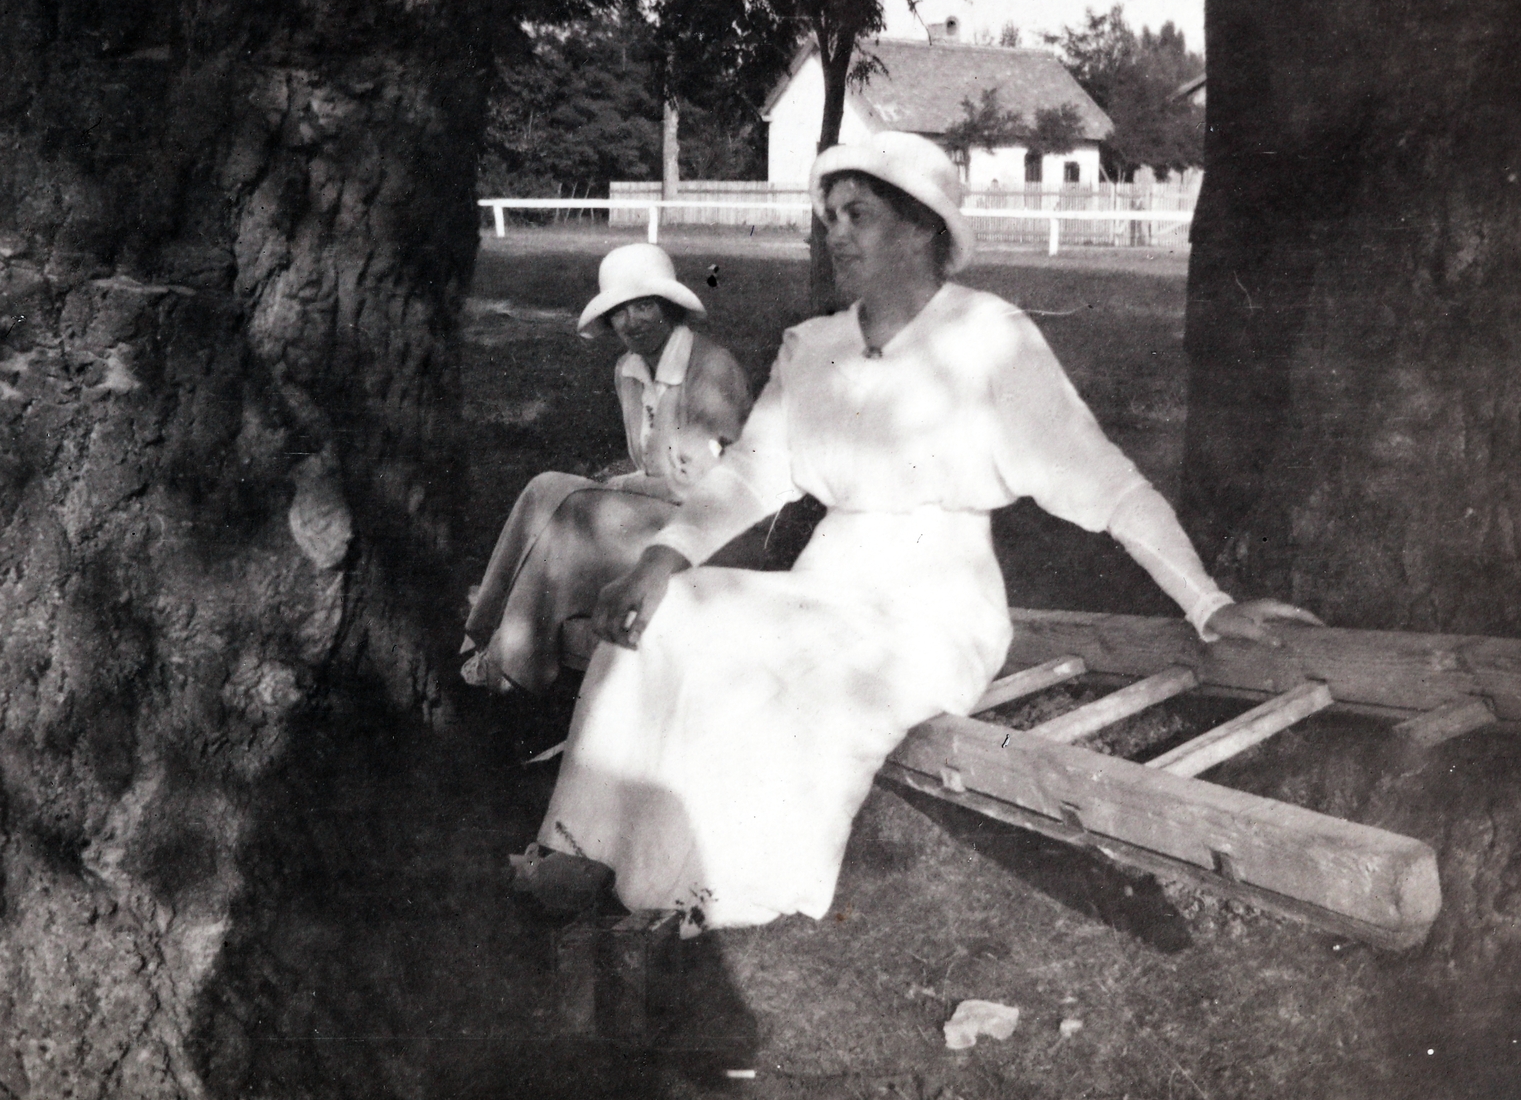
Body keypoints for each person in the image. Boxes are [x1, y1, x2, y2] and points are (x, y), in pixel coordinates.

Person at [516, 132, 1315, 930]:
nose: (834, 233)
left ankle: (702, 893)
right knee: (676, 616)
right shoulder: (816, 347)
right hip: (828, 580)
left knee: (798, 676)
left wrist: (1208, 603)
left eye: (856, 215)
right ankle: (586, 844)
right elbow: (752, 472)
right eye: (829, 216)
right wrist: (661, 560)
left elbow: (1109, 484)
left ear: (921, 229)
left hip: (936, 606)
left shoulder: (992, 341)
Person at [1181, 0, 1419, 569]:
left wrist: (1245, 245)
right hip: (1361, 245)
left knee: (1234, 470)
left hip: (1260, 247)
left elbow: (1270, 110)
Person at [461, 242, 750, 697]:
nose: (632, 322)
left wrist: (622, 486)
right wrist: (627, 486)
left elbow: (701, 484)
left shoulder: (711, 368)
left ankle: (512, 670)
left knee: (573, 514)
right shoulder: (628, 371)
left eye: (645, 306)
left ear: (670, 308)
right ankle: (482, 634)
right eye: (620, 311)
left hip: (707, 533)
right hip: (661, 513)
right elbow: (654, 466)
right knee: (545, 488)